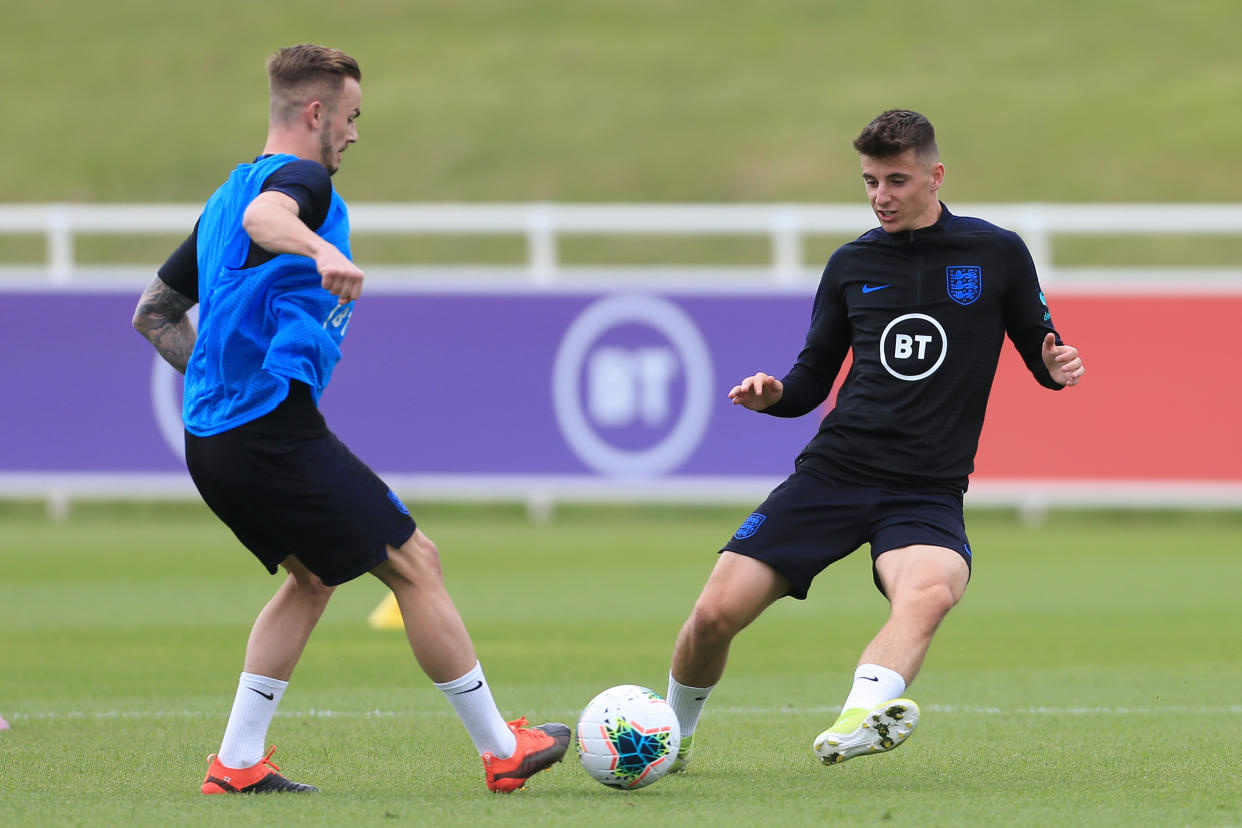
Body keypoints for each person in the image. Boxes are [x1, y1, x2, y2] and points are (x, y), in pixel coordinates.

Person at [132, 44, 568, 795]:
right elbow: (275, 218)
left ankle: (237, 764)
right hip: (270, 432)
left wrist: (218, 379)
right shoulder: (293, 185)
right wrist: (319, 251)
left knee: (311, 580)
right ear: (314, 113)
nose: (355, 134)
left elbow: (153, 313)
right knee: (414, 561)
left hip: (215, 441)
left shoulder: (223, 199)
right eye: (351, 116)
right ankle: (503, 749)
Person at [663, 109, 1085, 771]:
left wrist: (1055, 369)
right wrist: (775, 396)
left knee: (931, 591)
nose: (880, 195)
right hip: (835, 472)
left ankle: (860, 718)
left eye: (896, 180)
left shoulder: (995, 252)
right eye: (869, 181)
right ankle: (672, 739)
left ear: (935, 176)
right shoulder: (852, 263)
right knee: (715, 612)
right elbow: (810, 379)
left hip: (924, 488)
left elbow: (1040, 344)